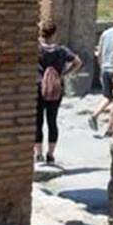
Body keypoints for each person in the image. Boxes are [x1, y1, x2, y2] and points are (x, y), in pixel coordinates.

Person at [36, 21, 82, 164]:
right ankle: (50, 155)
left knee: (37, 121)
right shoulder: (62, 50)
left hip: (38, 87)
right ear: (55, 34)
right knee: (52, 120)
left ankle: (38, 154)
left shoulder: (37, 49)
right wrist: (64, 74)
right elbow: (78, 62)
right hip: (56, 88)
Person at [88, 24, 113, 135]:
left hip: (105, 68)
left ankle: (94, 115)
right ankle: (110, 128)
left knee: (107, 97)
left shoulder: (105, 33)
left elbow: (99, 52)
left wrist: (101, 67)